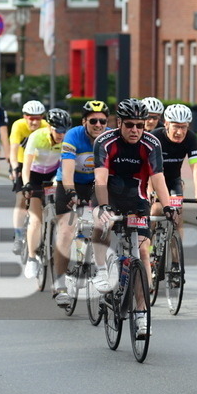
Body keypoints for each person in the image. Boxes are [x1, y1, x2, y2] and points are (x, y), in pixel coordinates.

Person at [91, 98, 178, 339]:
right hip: (108, 193)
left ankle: (141, 313)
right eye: (129, 125)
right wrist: (104, 206)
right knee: (100, 222)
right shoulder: (105, 141)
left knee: (143, 252)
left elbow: (158, 177)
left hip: (137, 198)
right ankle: (100, 269)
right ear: (119, 123)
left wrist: (168, 205)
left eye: (140, 125)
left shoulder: (151, 143)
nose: (135, 130)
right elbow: (100, 177)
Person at [50, 99, 109, 306]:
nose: (98, 125)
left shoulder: (108, 137)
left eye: (103, 121)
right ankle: (59, 285)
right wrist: (71, 192)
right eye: (93, 121)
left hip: (96, 185)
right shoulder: (73, 135)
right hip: (70, 183)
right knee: (66, 231)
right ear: (84, 121)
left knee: (104, 225)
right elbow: (67, 172)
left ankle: (101, 272)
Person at [20, 108, 72, 279]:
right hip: (34, 175)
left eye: (64, 131)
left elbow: (67, 165)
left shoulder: (67, 140)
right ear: (50, 127)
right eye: (58, 130)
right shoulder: (37, 136)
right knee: (35, 219)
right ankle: (32, 258)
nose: (61, 134)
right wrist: (27, 184)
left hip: (53, 175)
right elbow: (26, 165)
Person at [149, 103, 197, 233]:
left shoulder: (191, 138)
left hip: (173, 180)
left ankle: (176, 251)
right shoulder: (155, 137)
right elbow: (147, 168)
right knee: (156, 210)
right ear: (166, 124)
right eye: (176, 127)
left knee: (177, 214)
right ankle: (148, 248)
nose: (179, 132)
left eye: (183, 127)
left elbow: (196, 167)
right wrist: (150, 190)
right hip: (152, 179)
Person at [8, 99, 47, 255]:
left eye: (38, 118)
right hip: (21, 163)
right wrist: (13, 167)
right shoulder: (18, 125)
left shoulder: (46, 126)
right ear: (25, 116)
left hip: (40, 166)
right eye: (31, 117)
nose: (34, 121)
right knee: (21, 198)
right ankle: (18, 236)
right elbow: (13, 149)